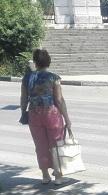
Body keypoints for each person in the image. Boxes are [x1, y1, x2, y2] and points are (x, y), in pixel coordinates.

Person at [20, 49, 72, 185]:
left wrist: (23, 112)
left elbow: (23, 98)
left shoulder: (27, 78)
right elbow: (59, 100)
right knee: (56, 144)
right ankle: (58, 176)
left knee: (40, 145)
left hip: (34, 114)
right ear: (48, 61)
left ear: (35, 62)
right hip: (52, 114)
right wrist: (67, 118)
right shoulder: (54, 78)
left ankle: (45, 175)